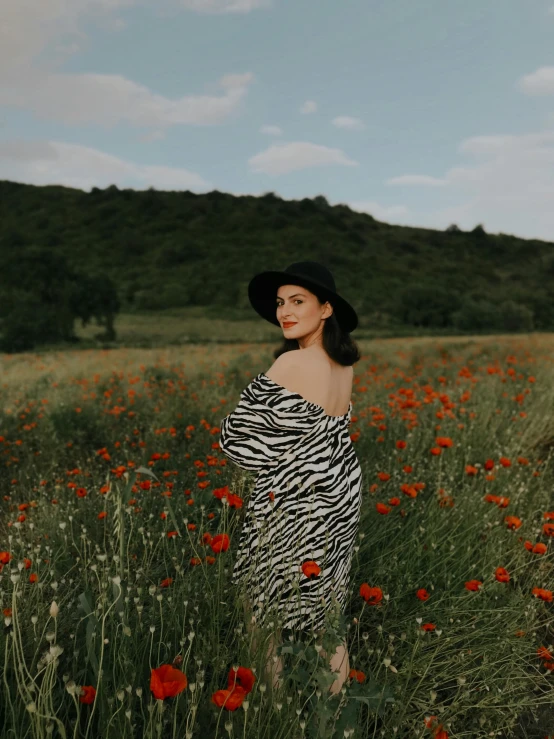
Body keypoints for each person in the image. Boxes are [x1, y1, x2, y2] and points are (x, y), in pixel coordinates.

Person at [218, 261, 363, 696]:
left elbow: (235, 439)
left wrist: (278, 454)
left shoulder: (292, 363)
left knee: (259, 604)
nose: (285, 311)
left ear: (325, 309)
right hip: (342, 485)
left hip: (299, 493)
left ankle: (274, 705)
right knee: (328, 608)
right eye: (281, 303)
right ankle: (335, 714)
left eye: (297, 301)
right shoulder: (344, 365)